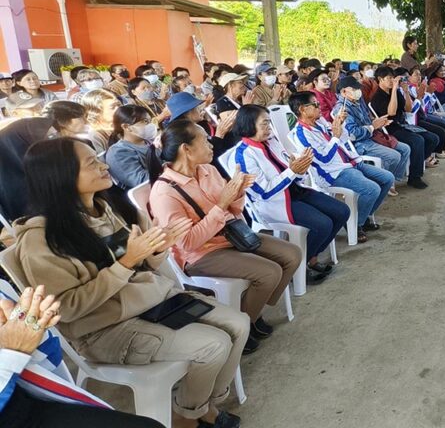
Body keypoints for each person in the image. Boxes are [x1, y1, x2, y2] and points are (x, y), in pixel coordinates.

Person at [11, 138, 248, 428]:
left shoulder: (109, 207)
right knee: (213, 345)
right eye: (92, 163)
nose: (103, 166)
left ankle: (198, 406)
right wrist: (125, 263)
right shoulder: (41, 239)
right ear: (61, 175)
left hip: (151, 301)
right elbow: (67, 308)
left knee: (239, 324)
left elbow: (145, 264)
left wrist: (158, 248)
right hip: (104, 328)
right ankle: (189, 416)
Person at [150, 121, 302, 354]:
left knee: (292, 254)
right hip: (201, 254)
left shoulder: (208, 170)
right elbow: (187, 243)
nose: (211, 144)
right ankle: (242, 328)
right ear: (186, 149)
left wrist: (237, 193)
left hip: (231, 236)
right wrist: (222, 204)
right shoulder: (164, 193)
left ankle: (251, 312)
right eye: (204, 140)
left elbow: (233, 212)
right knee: (269, 272)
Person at [0, 285, 164, 428]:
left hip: (23, 403)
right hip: (104, 328)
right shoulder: (36, 261)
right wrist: (14, 350)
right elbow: (72, 308)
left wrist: (28, 331)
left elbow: (45, 355)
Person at [229, 105, 350, 284]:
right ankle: (298, 267)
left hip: (294, 190)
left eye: (269, 122)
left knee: (342, 211)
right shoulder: (243, 155)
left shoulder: (271, 141)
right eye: (264, 124)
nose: (269, 127)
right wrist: (293, 171)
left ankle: (311, 256)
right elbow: (265, 192)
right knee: (323, 224)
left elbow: (290, 166)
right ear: (248, 124)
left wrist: (301, 168)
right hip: (274, 202)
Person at [289, 91, 395, 240]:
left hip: (349, 162)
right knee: (371, 189)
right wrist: (335, 137)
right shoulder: (301, 134)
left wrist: (340, 124)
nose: (319, 107)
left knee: (387, 178)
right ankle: (355, 224)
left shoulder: (320, 122)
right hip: (333, 173)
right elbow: (323, 159)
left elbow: (344, 139)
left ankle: (362, 217)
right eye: (315, 104)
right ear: (302, 109)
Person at [370, 66, 436, 189]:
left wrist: (405, 92)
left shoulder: (394, 91)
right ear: (380, 79)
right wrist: (394, 90)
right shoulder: (377, 97)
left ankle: (415, 163)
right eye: (389, 78)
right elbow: (391, 112)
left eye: (393, 78)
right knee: (417, 141)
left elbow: (408, 109)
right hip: (389, 128)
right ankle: (415, 177)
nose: (392, 81)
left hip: (402, 124)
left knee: (432, 138)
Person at [337, 77, 411, 185]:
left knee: (405, 149)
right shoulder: (342, 110)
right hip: (359, 144)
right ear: (344, 92)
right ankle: (385, 182)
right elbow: (352, 135)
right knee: (394, 156)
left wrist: (379, 122)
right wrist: (372, 126)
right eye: (354, 89)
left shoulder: (358, 101)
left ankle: (393, 180)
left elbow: (367, 120)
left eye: (358, 88)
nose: (358, 91)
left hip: (372, 136)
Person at [105, 105, 162, 190]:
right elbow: (142, 182)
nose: (151, 125)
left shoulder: (150, 141)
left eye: (150, 121)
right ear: (126, 127)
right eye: (145, 121)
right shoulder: (118, 152)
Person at [80, 89, 122, 153]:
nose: (118, 109)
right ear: (96, 112)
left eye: (118, 105)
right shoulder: (94, 136)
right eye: (112, 107)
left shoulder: (122, 126)